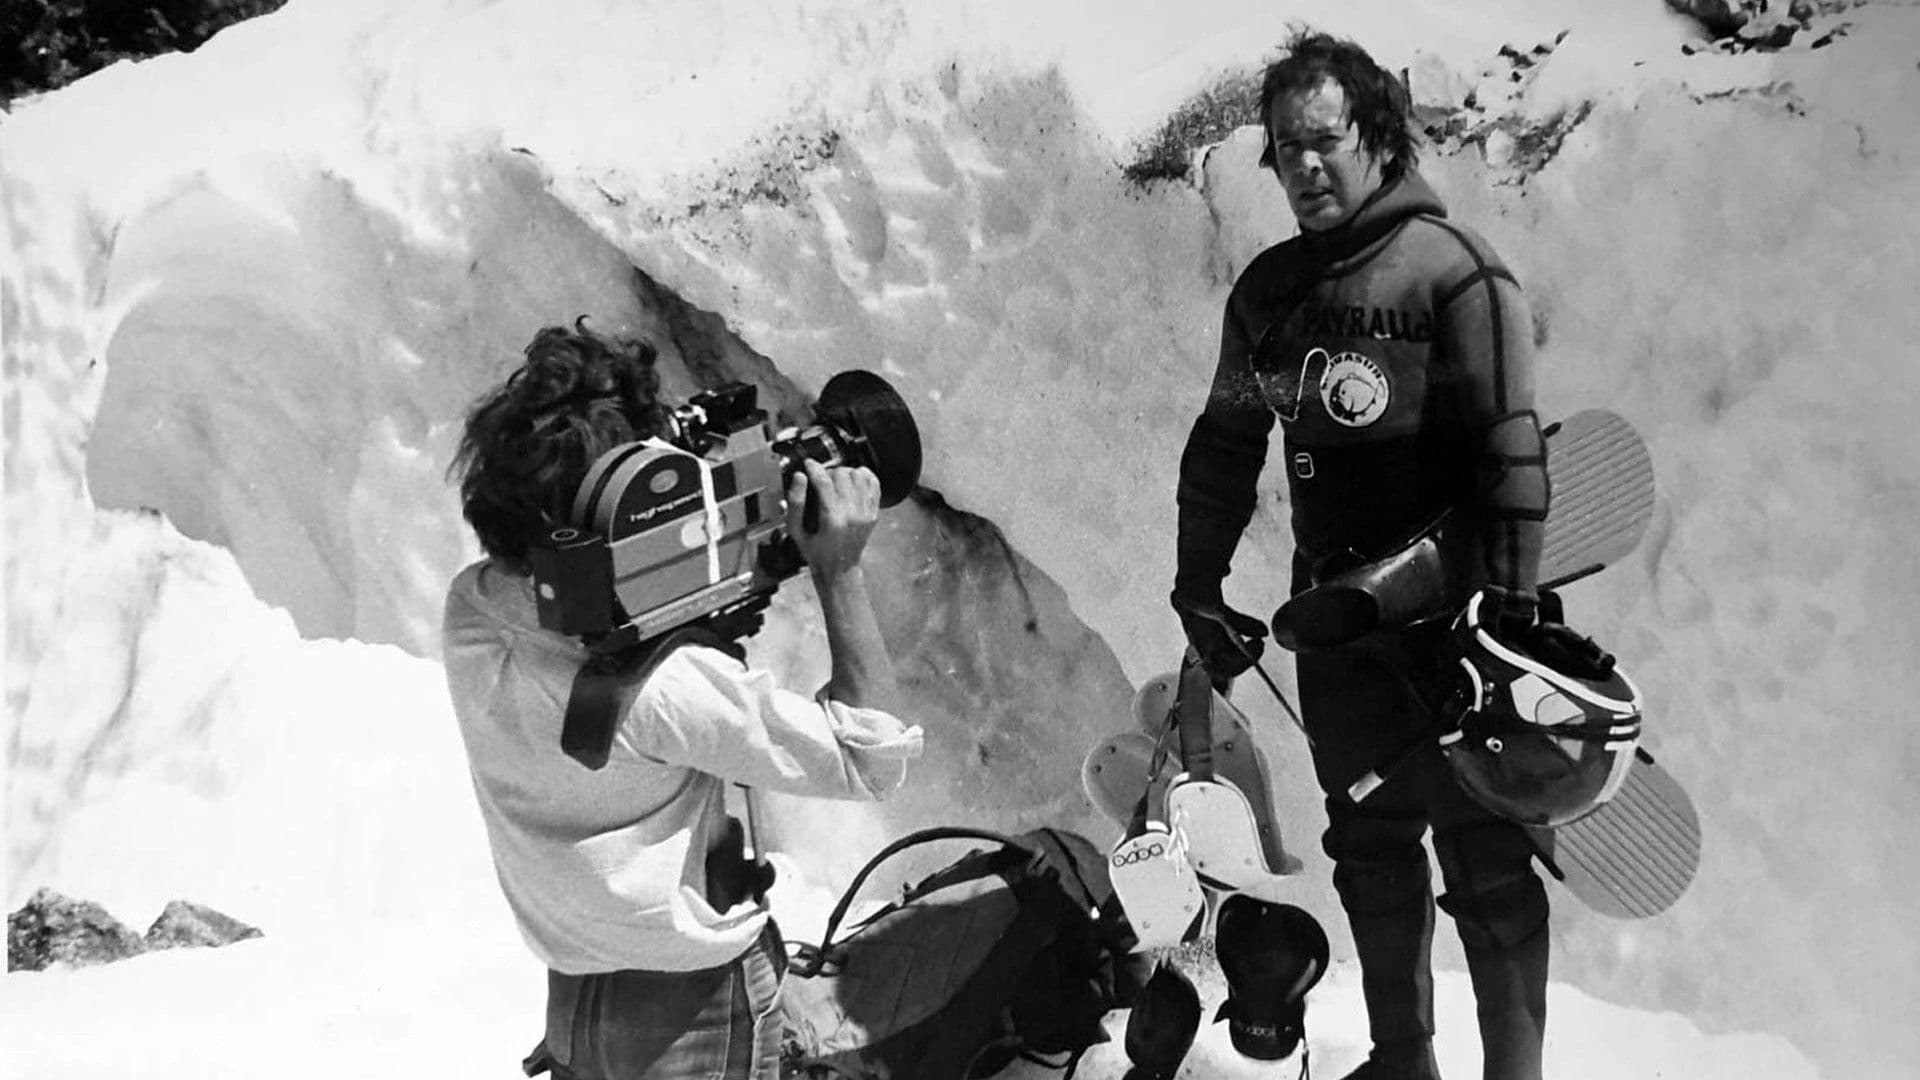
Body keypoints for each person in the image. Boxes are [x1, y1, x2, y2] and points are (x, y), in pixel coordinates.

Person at [1171, 30, 1553, 1080]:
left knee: (1490, 862)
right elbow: (1226, 444)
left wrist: (1509, 625)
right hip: (1333, 630)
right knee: (1371, 848)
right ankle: (1401, 1062)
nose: (1303, 166)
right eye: (1286, 147)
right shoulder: (1269, 299)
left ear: (1378, 138)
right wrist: (1198, 583)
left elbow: (1512, 460)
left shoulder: (1458, 276)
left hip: (1457, 628)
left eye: (1325, 142)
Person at [442, 320, 925, 1080]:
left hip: (574, 1000)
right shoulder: (667, 691)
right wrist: (838, 569)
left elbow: (583, 635)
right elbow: (870, 757)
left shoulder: (470, 614)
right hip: (700, 1014)